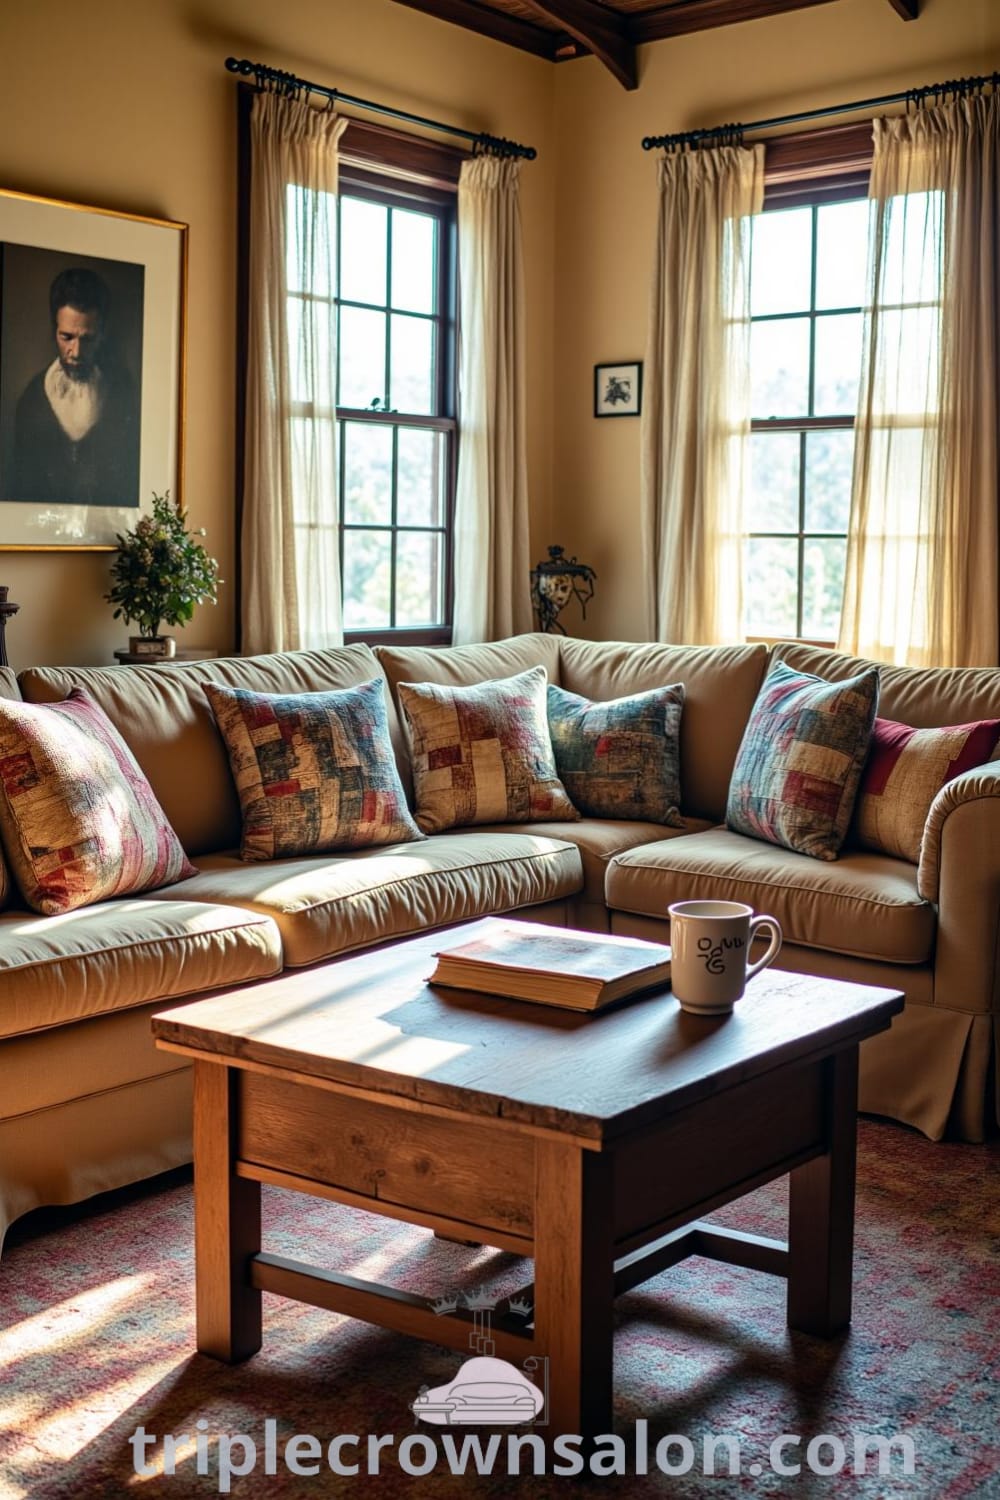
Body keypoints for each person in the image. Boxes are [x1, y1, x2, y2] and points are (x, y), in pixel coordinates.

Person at [11, 266, 140, 507]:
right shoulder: (31, 399)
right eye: (67, 337)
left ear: (102, 334)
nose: (76, 352)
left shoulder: (123, 391)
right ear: (54, 331)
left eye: (87, 339)